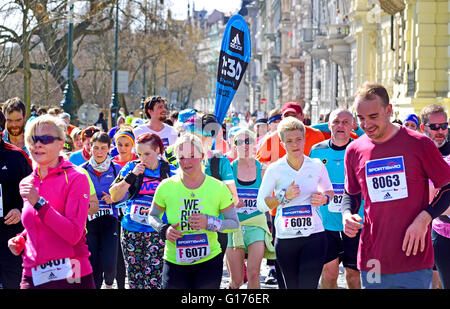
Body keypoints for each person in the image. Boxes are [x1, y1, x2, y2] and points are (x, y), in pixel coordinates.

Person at [342, 82, 450, 289]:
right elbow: (351, 193)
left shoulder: (420, 144)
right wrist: (347, 214)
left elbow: (447, 188)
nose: (366, 124)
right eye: (361, 118)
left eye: (373, 117)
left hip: (414, 257)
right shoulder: (354, 150)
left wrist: (424, 218)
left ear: (388, 110)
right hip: (373, 258)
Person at [8, 114, 94, 289]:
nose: (38, 144)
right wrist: (22, 238)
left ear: (61, 143)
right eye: (33, 139)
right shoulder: (27, 182)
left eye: (45, 139)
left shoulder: (76, 178)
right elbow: (40, 224)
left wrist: (38, 203)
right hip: (33, 273)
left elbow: (73, 234)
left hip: (72, 274)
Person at [148, 134, 239, 289]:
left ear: (202, 156)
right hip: (174, 260)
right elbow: (152, 216)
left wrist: (209, 222)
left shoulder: (218, 187)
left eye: (192, 156)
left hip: (208, 261)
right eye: (181, 157)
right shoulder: (166, 186)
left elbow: (234, 223)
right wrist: (164, 229)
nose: (186, 162)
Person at [256, 117, 334, 289]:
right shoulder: (275, 169)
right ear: (283, 144)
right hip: (286, 238)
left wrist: (324, 199)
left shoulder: (316, 165)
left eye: (299, 139)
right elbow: (261, 204)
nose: (295, 144)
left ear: (305, 140)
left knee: (308, 286)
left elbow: (329, 191)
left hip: (314, 235)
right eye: (289, 141)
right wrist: (283, 197)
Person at [109, 133, 176, 289]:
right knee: (134, 279)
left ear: (158, 151)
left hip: (157, 229)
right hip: (131, 229)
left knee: (154, 279)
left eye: (147, 154)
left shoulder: (169, 170)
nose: (143, 158)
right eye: (139, 154)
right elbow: (114, 196)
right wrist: (131, 177)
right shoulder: (131, 167)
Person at [309, 108, 364, 289]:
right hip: (326, 223)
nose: (340, 126)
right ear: (329, 125)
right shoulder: (317, 151)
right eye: (336, 122)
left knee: (354, 274)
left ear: (352, 126)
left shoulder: (360, 149)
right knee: (329, 273)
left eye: (345, 122)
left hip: (355, 222)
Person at [226, 128, 275, 289]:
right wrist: (232, 201)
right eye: (239, 142)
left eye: (248, 141)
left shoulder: (264, 170)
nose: (244, 145)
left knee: (254, 274)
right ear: (234, 146)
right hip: (234, 228)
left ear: (255, 145)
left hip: (257, 225)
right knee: (237, 280)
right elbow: (219, 199)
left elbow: (271, 199)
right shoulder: (228, 170)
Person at [81, 132, 123, 289]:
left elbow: (126, 195)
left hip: (110, 220)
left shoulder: (116, 169)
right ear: (90, 148)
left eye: (103, 148)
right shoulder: (82, 170)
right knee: (94, 266)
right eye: (96, 148)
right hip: (90, 222)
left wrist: (114, 198)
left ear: (109, 149)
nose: (99, 152)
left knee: (110, 265)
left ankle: (110, 284)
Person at [0, 109, 33, 289]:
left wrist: (21, 210)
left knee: (13, 284)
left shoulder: (17, 156)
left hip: (11, 235)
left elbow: (35, 192)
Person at [256, 102, 325, 165]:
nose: (290, 119)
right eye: (287, 116)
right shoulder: (272, 139)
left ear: (302, 117)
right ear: (282, 118)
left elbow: (325, 159)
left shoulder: (316, 135)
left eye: (294, 116)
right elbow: (259, 164)